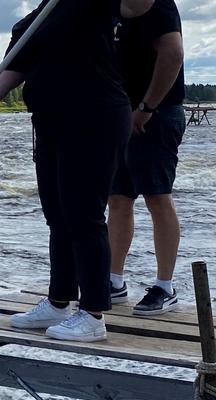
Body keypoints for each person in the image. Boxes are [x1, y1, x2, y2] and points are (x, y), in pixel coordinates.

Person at [0, 0, 130, 342]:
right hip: (50, 124)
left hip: (95, 118)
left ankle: (94, 314)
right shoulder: (30, 23)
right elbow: (6, 77)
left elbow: (137, 6)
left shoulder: (90, 5)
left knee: (84, 215)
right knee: (57, 216)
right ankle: (59, 302)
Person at [107, 0, 186, 316]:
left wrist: (147, 108)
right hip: (119, 116)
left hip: (157, 115)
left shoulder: (158, 4)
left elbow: (173, 54)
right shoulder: (111, 7)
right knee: (118, 198)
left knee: (157, 197)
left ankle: (165, 287)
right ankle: (113, 281)